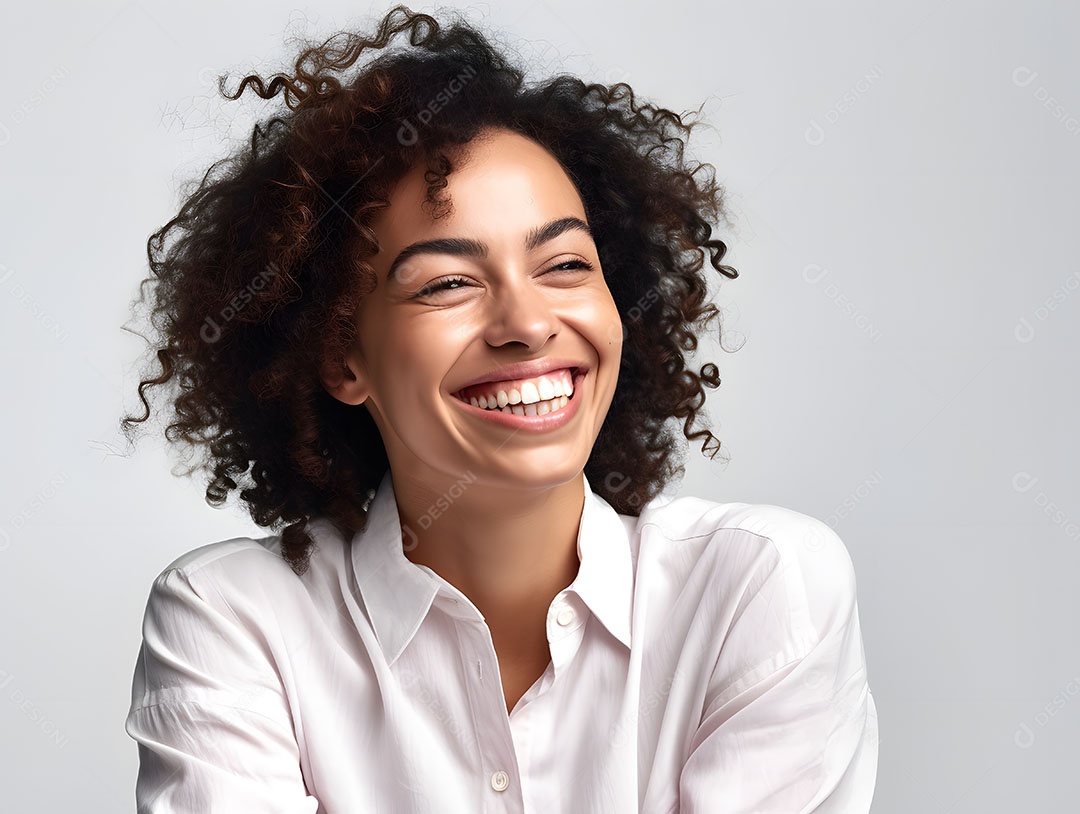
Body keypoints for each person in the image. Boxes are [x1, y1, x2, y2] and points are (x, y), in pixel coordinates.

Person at [121, 5, 878, 811]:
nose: (526, 324)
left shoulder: (758, 589)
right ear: (342, 357)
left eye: (563, 265)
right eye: (449, 282)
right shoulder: (233, 622)